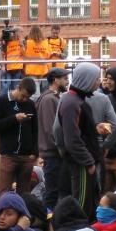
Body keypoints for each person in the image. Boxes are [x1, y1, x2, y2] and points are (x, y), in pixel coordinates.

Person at [55, 63, 101, 219]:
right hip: (81, 163)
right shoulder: (72, 102)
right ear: (87, 80)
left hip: (85, 161)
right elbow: (72, 139)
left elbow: (79, 131)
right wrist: (88, 162)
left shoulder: (76, 100)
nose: (99, 82)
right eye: (96, 79)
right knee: (81, 204)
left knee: (89, 202)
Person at [0, 76, 38, 195]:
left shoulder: (30, 104)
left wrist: (35, 152)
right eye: (23, 96)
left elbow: (35, 129)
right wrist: (14, 119)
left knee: (25, 194)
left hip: (27, 156)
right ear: (18, 88)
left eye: (28, 97)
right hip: (8, 155)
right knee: (4, 192)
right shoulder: (2, 101)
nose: (25, 99)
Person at [35, 67, 70, 210]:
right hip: (53, 154)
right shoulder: (49, 99)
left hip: (53, 153)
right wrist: (61, 149)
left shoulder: (52, 98)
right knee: (52, 193)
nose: (67, 82)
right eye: (65, 79)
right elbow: (51, 129)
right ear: (56, 80)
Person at [0, 24, 25, 94]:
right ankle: (3, 102)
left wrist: (21, 44)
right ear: (16, 33)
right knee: (5, 88)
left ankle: (13, 103)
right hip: (7, 68)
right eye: (21, 32)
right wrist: (3, 66)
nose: (22, 34)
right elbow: (1, 54)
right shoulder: (6, 42)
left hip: (17, 68)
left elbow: (23, 54)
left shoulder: (21, 42)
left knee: (15, 88)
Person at [24, 25, 51, 91]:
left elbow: (23, 54)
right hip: (43, 69)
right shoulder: (45, 43)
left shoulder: (27, 43)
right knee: (41, 89)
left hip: (31, 69)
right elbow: (48, 55)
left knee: (35, 90)